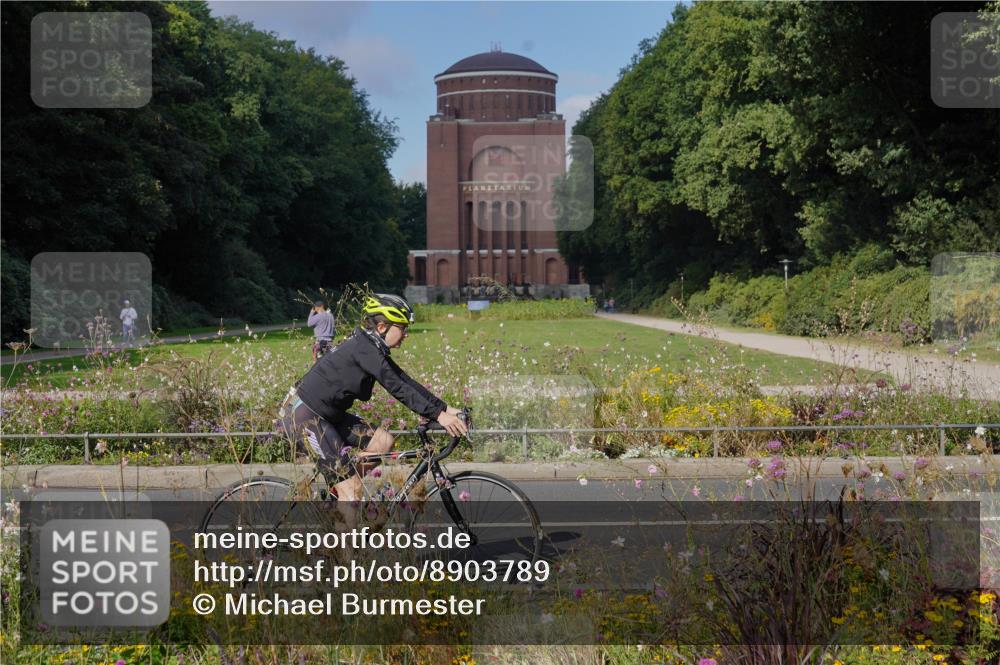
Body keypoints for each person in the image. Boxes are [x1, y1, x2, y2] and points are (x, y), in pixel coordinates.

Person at [278, 294, 468, 502]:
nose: (406, 334)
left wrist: (445, 410)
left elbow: (404, 380)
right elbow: (396, 387)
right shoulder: (364, 349)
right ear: (382, 327)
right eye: (403, 328)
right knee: (351, 492)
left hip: (329, 415)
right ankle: (345, 502)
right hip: (304, 416)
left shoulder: (370, 347)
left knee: (383, 442)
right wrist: (439, 416)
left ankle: (339, 498)